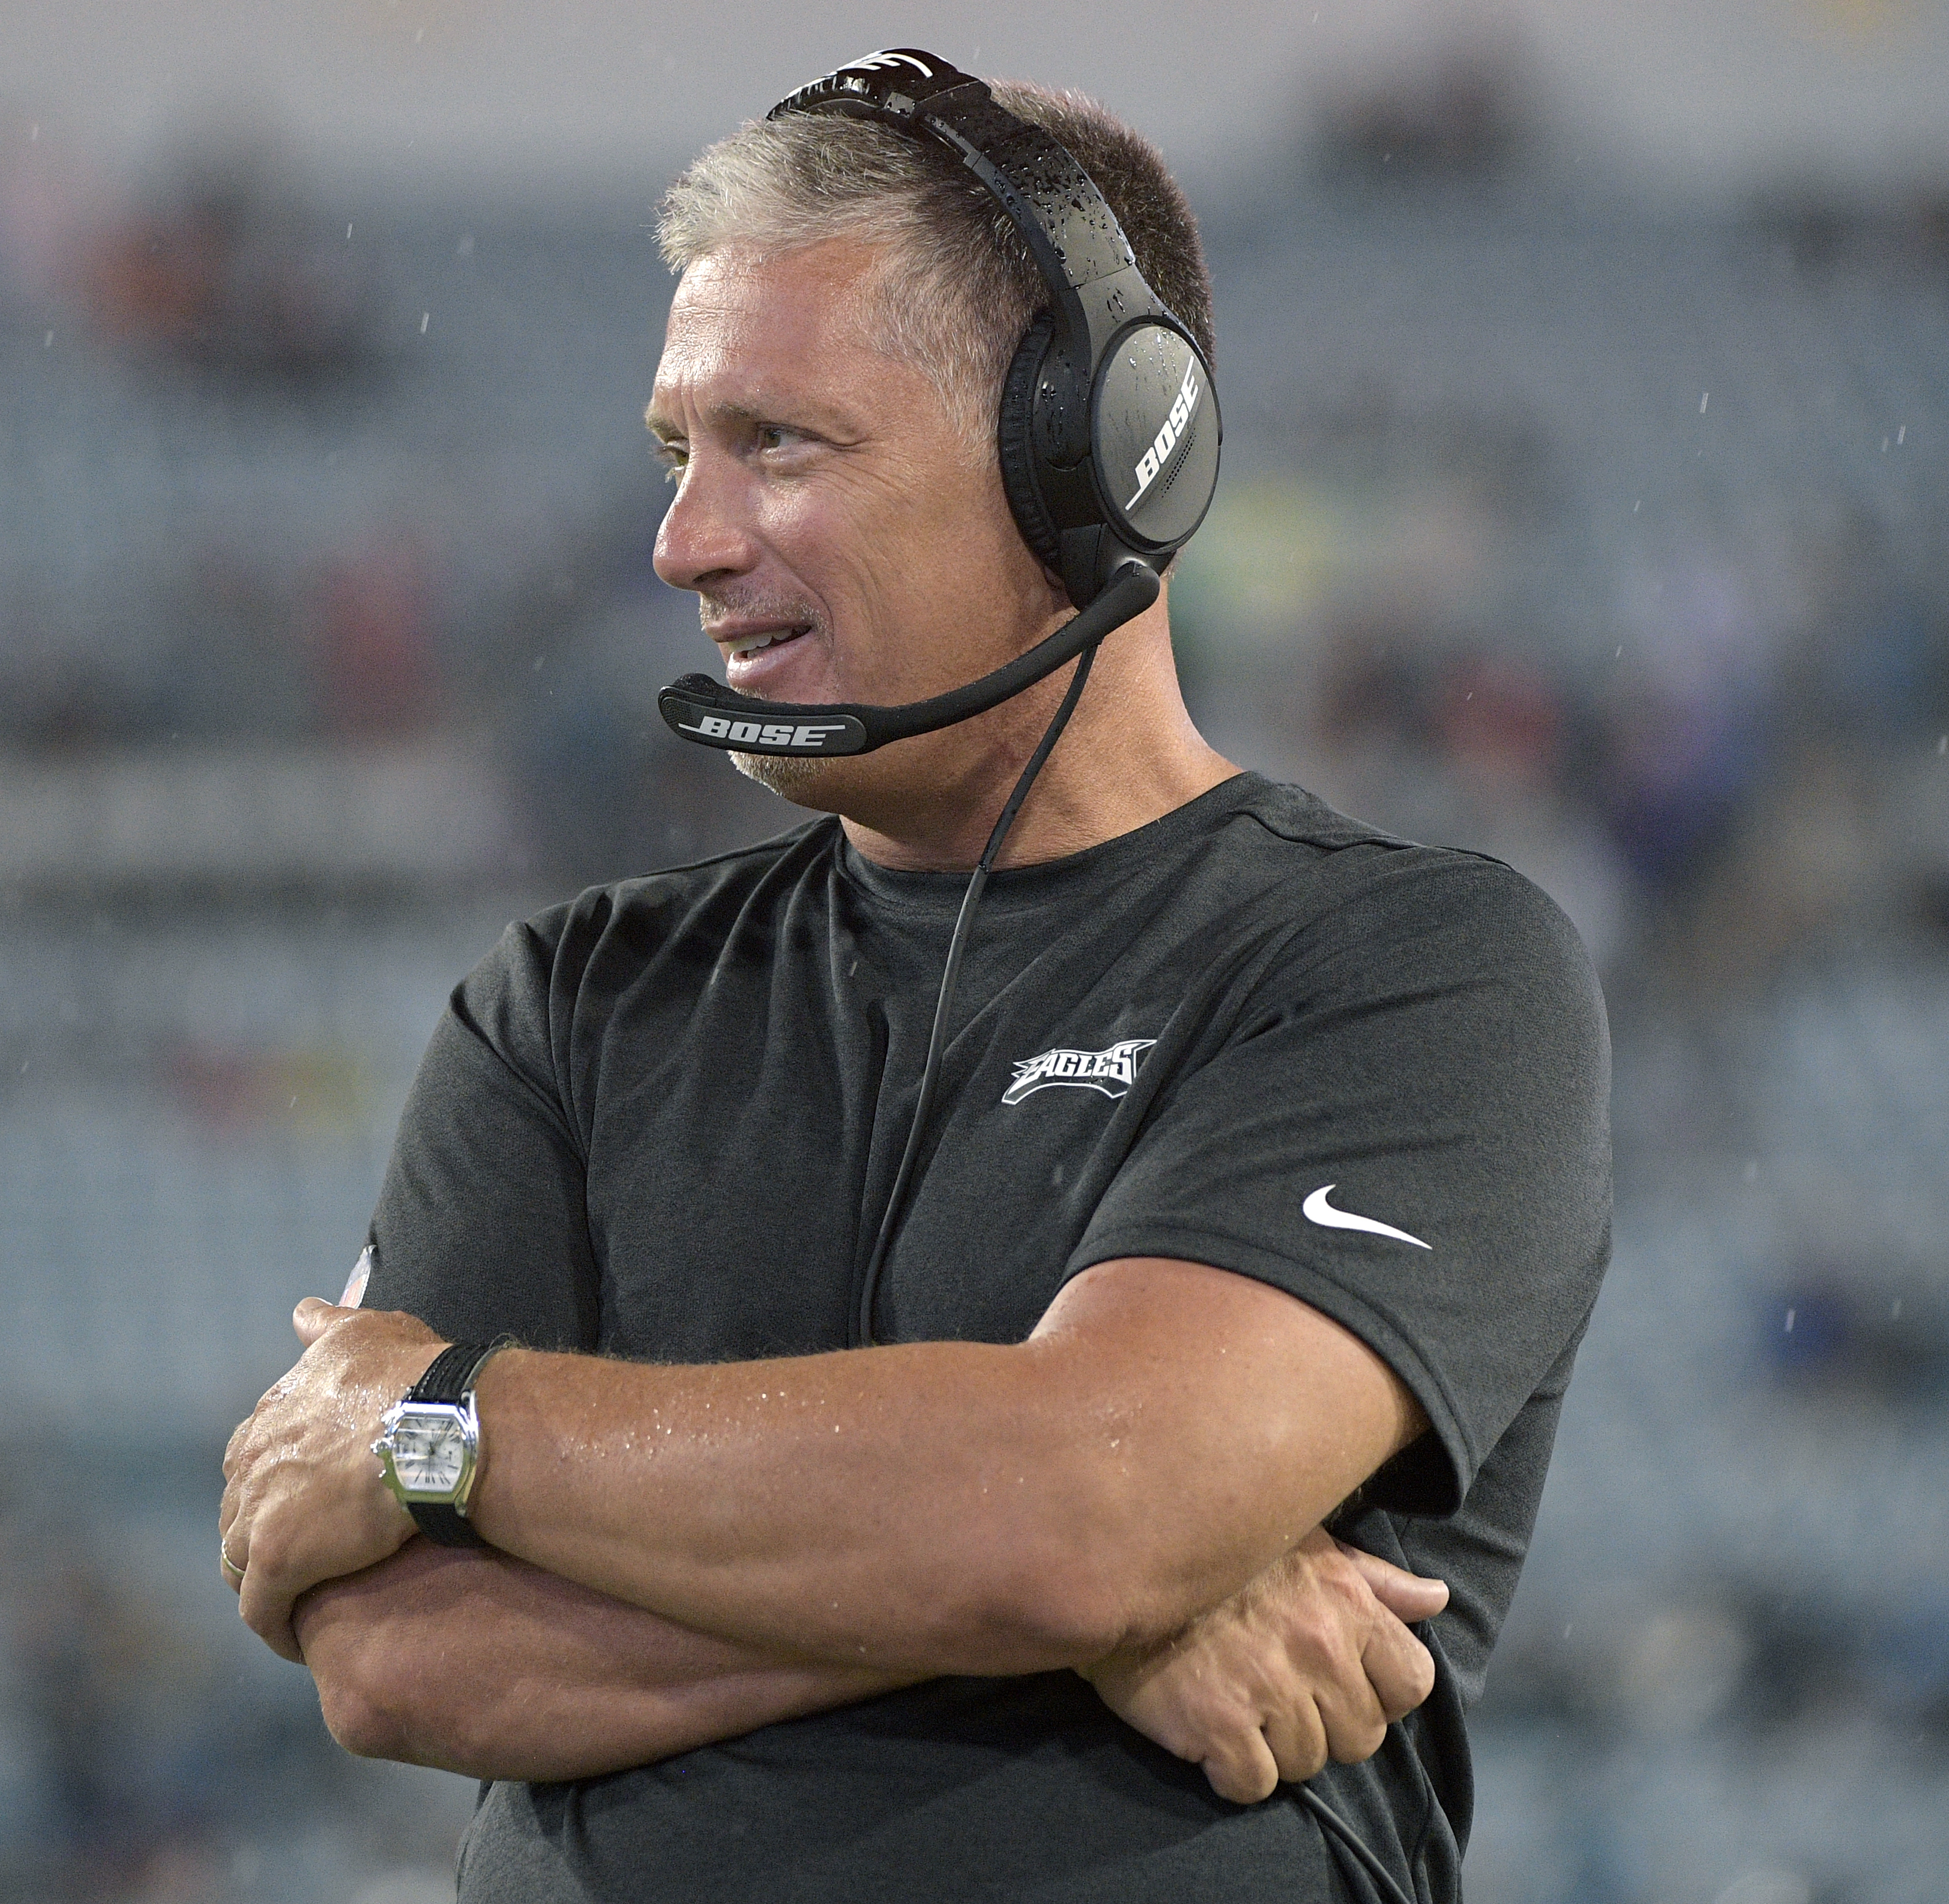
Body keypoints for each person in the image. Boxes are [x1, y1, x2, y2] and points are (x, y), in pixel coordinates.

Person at [219, 57, 1609, 1904]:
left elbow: (1091, 1502)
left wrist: (441, 1422)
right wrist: (1060, 1601)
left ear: (1094, 454)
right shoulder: (568, 999)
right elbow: (404, 1655)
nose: (684, 543)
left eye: (778, 442)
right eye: (674, 452)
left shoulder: (1414, 968)